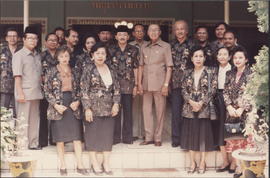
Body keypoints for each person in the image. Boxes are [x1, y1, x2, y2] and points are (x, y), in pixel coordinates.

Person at [43, 45, 87, 176]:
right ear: (57, 57)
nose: (64, 58)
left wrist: (78, 101)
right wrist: (56, 105)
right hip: (58, 105)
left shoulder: (75, 71)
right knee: (60, 137)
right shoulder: (51, 71)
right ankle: (62, 165)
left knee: (77, 136)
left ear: (69, 57)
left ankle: (80, 165)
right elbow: (46, 90)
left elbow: (81, 88)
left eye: (66, 56)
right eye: (61, 56)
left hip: (73, 104)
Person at [81, 43, 121, 175]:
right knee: (92, 135)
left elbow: (117, 89)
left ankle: (106, 162)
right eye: (97, 53)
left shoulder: (111, 69)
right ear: (92, 55)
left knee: (107, 135)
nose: (100, 56)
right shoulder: (88, 69)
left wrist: (116, 104)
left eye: (103, 53)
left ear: (106, 55)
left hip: (109, 108)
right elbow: (83, 90)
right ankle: (94, 163)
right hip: (93, 108)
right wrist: (87, 108)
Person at [180, 46, 217, 174]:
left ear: (205, 58)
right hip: (189, 108)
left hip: (204, 109)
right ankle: (192, 162)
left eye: (201, 56)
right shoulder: (187, 72)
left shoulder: (211, 72)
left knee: (203, 136)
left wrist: (201, 103)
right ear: (191, 58)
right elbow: (183, 89)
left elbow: (213, 89)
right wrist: (191, 102)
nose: (198, 58)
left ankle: (202, 162)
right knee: (191, 135)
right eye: (196, 56)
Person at [138, 24, 173, 147]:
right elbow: (141, 66)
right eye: (151, 30)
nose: (153, 32)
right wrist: (139, 84)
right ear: (147, 32)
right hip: (146, 83)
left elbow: (169, 67)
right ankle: (148, 137)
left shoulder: (166, 46)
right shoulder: (144, 46)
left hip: (160, 84)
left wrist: (166, 84)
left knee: (160, 111)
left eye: (156, 30)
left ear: (160, 32)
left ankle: (158, 138)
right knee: (146, 111)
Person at [12, 25, 43, 150]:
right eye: (30, 38)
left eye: (35, 39)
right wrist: (20, 93)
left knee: (34, 119)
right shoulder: (19, 55)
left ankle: (33, 143)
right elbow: (17, 76)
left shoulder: (37, 55)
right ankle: (22, 145)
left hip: (36, 92)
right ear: (24, 40)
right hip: (24, 93)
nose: (33, 41)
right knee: (23, 120)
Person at [223, 46, 252, 178]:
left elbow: (251, 94)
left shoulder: (251, 74)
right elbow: (225, 91)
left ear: (246, 59)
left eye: (240, 57)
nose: (237, 60)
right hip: (231, 112)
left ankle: (243, 168)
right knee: (234, 140)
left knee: (244, 141)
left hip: (245, 113)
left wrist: (241, 108)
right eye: (235, 58)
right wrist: (229, 106)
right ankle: (237, 166)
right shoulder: (229, 73)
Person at [108, 25, 139, 144]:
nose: (122, 37)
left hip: (129, 85)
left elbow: (136, 67)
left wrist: (136, 85)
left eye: (124, 35)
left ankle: (127, 137)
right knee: (115, 111)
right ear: (116, 36)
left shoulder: (134, 49)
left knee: (128, 111)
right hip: (114, 86)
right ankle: (115, 138)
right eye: (120, 34)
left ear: (128, 36)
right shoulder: (110, 50)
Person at [170, 20, 194, 147]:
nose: (179, 31)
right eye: (177, 29)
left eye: (182, 29)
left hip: (190, 85)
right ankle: (176, 139)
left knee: (189, 113)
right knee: (175, 112)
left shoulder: (192, 45)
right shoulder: (170, 45)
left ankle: (187, 138)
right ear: (174, 31)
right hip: (175, 84)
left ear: (187, 30)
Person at [213, 47, 232, 173]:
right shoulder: (215, 70)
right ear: (217, 57)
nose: (222, 56)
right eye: (220, 54)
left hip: (230, 100)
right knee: (220, 129)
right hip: (217, 99)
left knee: (231, 129)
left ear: (229, 57)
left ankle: (234, 162)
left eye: (225, 54)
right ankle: (225, 161)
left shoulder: (233, 69)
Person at [39, 32, 59, 147]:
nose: (53, 42)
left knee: (56, 116)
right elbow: (38, 73)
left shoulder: (60, 55)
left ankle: (54, 139)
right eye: (50, 40)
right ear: (46, 42)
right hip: (44, 90)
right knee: (43, 115)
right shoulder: (40, 56)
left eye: (55, 40)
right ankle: (42, 141)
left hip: (57, 91)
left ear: (58, 42)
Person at [129, 24, 148, 140]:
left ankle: (146, 133)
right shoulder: (129, 45)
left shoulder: (149, 45)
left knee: (146, 107)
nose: (139, 33)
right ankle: (135, 133)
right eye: (137, 31)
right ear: (133, 33)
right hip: (134, 78)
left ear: (144, 33)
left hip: (147, 79)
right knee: (135, 107)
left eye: (141, 31)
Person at [1, 27, 22, 113]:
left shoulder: (22, 51)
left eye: (14, 36)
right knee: (2, 113)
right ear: (6, 38)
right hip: (4, 88)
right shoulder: (1, 51)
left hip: (19, 87)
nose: (12, 38)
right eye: (10, 36)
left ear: (18, 38)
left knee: (19, 114)